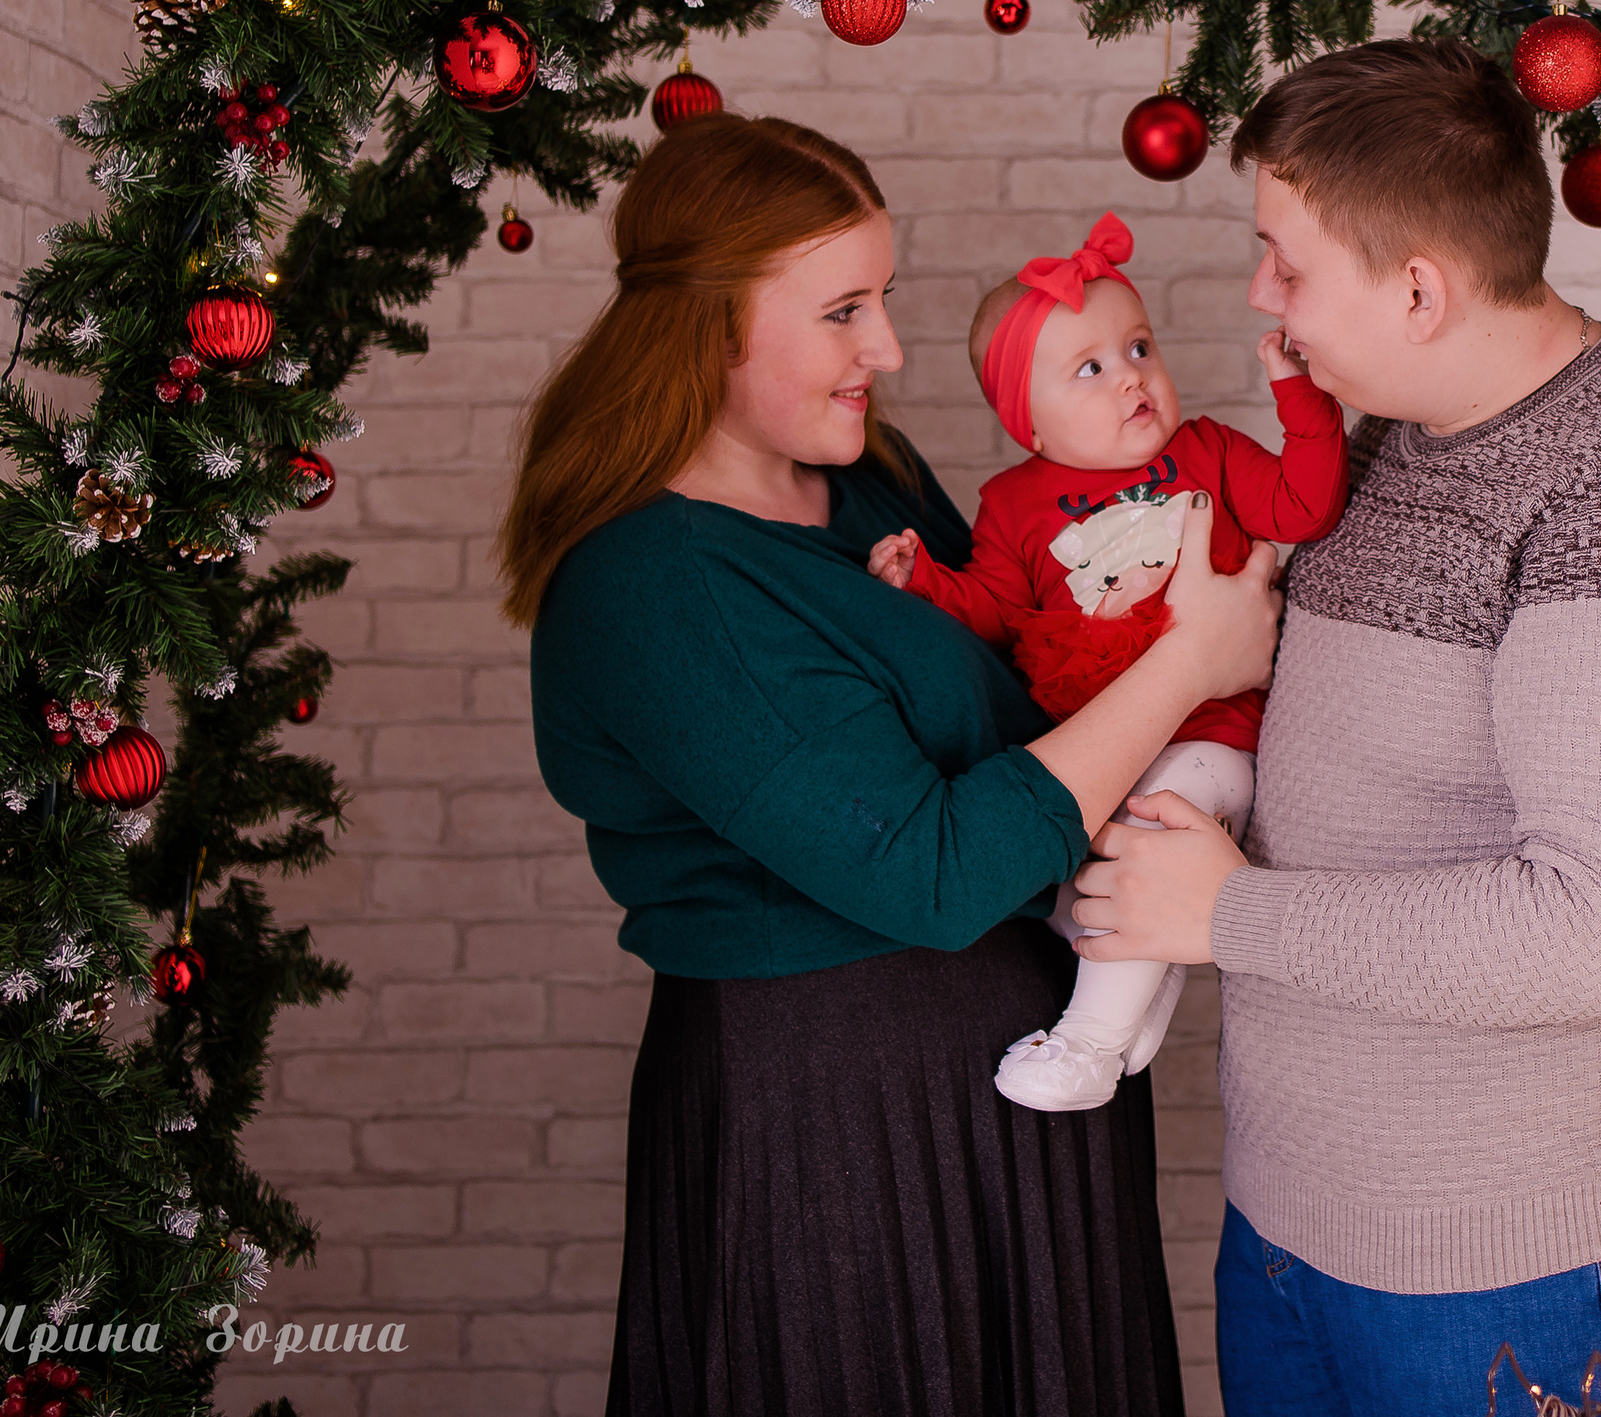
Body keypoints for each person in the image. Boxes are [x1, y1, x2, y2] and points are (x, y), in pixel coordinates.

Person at [499, 113, 1282, 1417]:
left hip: (1017, 1102)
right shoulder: (654, 583)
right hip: (837, 1129)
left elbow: (1032, 685)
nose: (891, 349)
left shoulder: (866, 485)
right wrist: (1192, 664)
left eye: (889, 298)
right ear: (710, 323)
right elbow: (932, 871)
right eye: (844, 310)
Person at [1062, 39, 1601, 1412]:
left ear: (1417, 288)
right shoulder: (1401, 432)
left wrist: (1224, 916)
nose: (1262, 297)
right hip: (1297, 1231)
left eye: (1287, 260)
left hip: (1534, 1270)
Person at [868, 210, 1348, 1111]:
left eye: (1137, 348)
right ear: (1029, 421)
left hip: (1212, 739)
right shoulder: (1012, 504)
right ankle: (1136, 1005)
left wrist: (1302, 396)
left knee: (1148, 839)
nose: (1131, 377)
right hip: (1104, 746)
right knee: (1083, 875)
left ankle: (1088, 1041)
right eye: (1089, 368)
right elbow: (998, 615)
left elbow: (1305, 504)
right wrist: (922, 583)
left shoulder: (1204, 450)